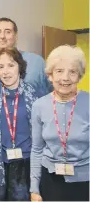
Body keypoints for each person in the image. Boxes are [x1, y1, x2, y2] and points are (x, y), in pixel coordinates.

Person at [0, 47, 40, 201]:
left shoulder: (35, 95)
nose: (5, 71)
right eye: (1, 67)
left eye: (11, 65)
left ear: (20, 66)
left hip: (26, 166)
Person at [30, 45, 89, 201]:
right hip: (50, 180)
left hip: (85, 182)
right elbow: (36, 149)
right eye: (59, 71)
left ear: (80, 76)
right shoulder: (39, 106)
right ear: (50, 75)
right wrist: (34, 189)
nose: (65, 78)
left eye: (72, 72)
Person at [0, 17, 52, 97]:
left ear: (16, 36)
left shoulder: (36, 63)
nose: (2, 36)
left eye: (8, 32)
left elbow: (52, 95)